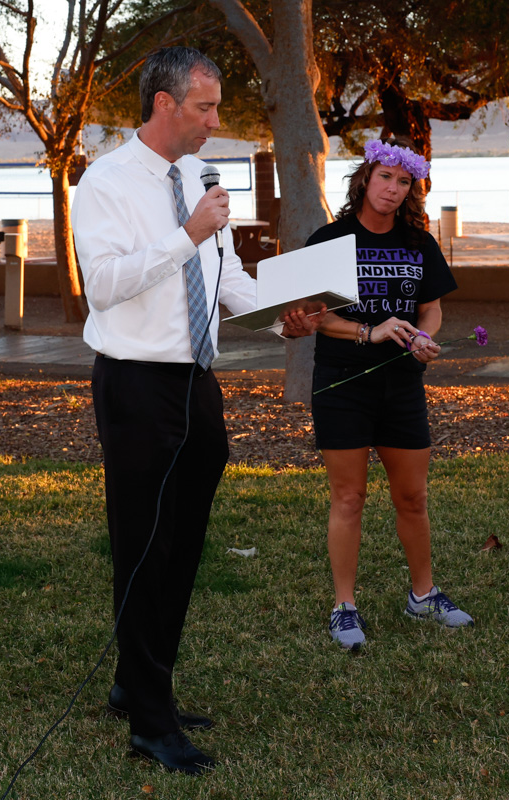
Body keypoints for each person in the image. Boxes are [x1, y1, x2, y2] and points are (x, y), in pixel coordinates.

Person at [71, 47, 318, 775]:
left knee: (181, 544)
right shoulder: (106, 181)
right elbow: (103, 286)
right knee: (143, 547)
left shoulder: (198, 179)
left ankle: (139, 683)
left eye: (215, 108)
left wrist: (280, 319)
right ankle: (150, 724)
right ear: (164, 103)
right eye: (205, 107)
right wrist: (187, 236)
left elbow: (226, 275)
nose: (215, 121)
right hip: (135, 385)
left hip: (197, 383)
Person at [306, 138, 474, 652]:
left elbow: (431, 308)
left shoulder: (418, 243)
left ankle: (423, 595)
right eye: (385, 177)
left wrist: (423, 337)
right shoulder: (330, 240)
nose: (393, 189)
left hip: (401, 385)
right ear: (364, 180)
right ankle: (344, 607)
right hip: (342, 384)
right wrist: (369, 331)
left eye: (404, 182)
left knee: (413, 497)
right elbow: (315, 316)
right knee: (349, 497)